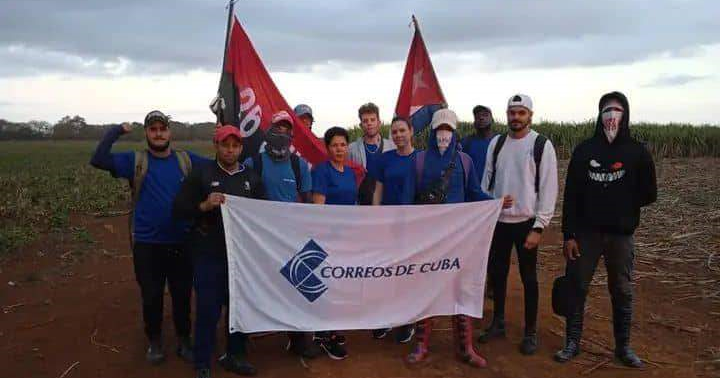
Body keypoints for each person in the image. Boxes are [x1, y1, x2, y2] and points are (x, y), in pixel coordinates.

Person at [89, 110, 207, 364]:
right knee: (151, 296)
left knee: (182, 295)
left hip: (181, 242)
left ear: (169, 132)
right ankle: (154, 341)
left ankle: (184, 340)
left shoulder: (186, 160)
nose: (158, 133)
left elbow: (218, 167)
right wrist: (117, 130)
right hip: (147, 244)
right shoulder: (135, 161)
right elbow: (98, 159)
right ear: (146, 133)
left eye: (162, 129)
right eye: (153, 129)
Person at [555, 92, 656, 368]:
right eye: (607, 110)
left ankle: (623, 347)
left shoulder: (637, 151)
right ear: (599, 114)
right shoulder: (585, 151)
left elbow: (650, 193)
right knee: (577, 286)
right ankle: (572, 342)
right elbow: (572, 195)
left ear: (626, 115)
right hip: (586, 235)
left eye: (617, 110)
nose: (612, 115)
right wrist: (568, 235)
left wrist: (623, 201)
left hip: (621, 236)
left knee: (622, 290)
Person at [408, 108, 511, 368]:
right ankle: (421, 344)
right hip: (428, 239)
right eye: (439, 130)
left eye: (448, 130)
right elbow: (406, 201)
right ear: (432, 133)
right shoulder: (419, 161)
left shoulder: (465, 162)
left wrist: (496, 204)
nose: (443, 135)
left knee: (461, 289)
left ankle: (465, 346)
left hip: (459, 239)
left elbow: (475, 192)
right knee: (426, 289)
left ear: (454, 133)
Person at [173, 126, 265, 378]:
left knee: (239, 307)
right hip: (208, 251)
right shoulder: (201, 174)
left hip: (241, 255)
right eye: (225, 145)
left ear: (241, 148)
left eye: (235, 145)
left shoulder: (252, 178)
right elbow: (180, 210)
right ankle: (203, 360)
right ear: (216, 145)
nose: (230, 150)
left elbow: (265, 214)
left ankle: (235, 355)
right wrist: (205, 204)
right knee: (208, 307)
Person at [479, 94, 558, 356]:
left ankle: (530, 332)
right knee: (498, 274)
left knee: (529, 278)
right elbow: (486, 180)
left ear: (530, 116)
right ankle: (498, 322)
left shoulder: (540, 145)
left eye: (521, 113)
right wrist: (493, 203)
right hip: (499, 222)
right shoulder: (497, 144)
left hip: (526, 223)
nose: (516, 118)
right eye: (512, 113)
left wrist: (539, 227)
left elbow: (548, 188)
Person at [243, 111, 320, 359]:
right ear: (269, 130)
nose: (282, 133)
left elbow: (307, 202)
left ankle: (298, 340)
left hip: (290, 238)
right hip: (260, 239)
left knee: (294, 289)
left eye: (287, 130)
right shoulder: (254, 162)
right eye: (278, 128)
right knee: (258, 284)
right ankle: (247, 337)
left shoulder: (299, 165)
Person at [309, 126, 357, 360]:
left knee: (340, 285)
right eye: (334, 145)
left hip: (347, 238)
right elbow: (318, 208)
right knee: (327, 286)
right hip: (328, 239)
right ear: (327, 148)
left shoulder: (349, 173)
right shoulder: (321, 171)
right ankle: (324, 334)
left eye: (343, 144)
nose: (339, 149)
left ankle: (334, 329)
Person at [369, 116, 418, 343]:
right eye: (394, 132)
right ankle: (385, 318)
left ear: (411, 131)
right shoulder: (384, 159)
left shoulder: (422, 159)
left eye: (402, 131)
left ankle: (408, 321)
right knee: (386, 272)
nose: (398, 135)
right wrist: (376, 216)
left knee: (408, 274)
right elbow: (378, 189)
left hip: (413, 227)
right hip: (388, 225)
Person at [348, 102, 396, 205]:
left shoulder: (392, 146)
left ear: (379, 122)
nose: (369, 123)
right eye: (365, 121)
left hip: (387, 204)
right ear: (361, 125)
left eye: (372, 120)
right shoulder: (351, 149)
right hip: (361, 204)